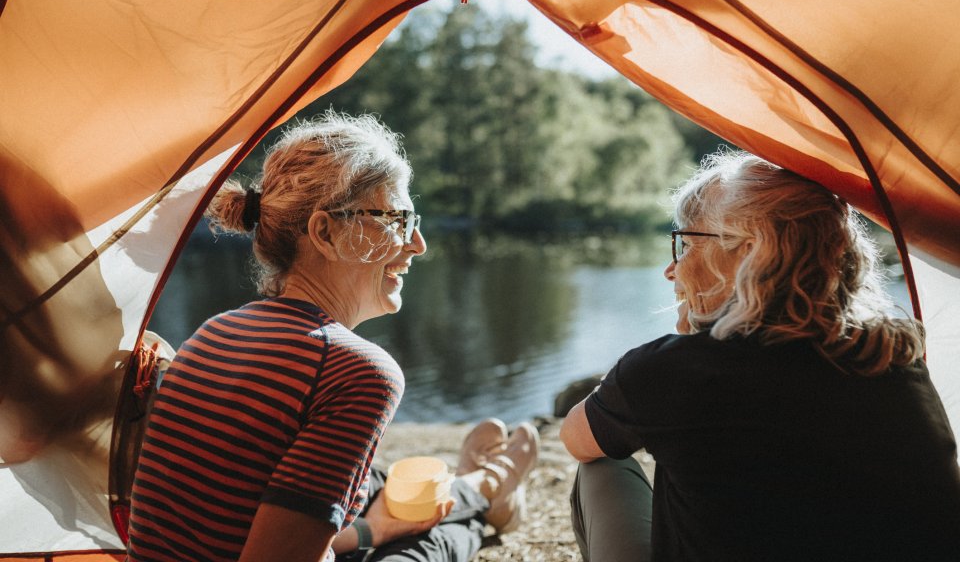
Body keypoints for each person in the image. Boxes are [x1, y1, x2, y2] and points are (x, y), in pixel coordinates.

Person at [125, 112, 539, 562]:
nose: (418, 243)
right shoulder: (357, 371)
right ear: (326, 232)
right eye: (397, 219)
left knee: (374, 484)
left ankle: (480, 485)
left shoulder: (214, 330)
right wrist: (373, 533)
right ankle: (485, 503)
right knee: (428, 544)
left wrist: (367, 529)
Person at [560, 151, 960, 562]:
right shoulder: (894, 359)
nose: (671, 269)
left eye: (685, 243)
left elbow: (575, 438)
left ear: (749, 253)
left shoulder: (677, 372)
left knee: (601, 465)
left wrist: (683, 350)